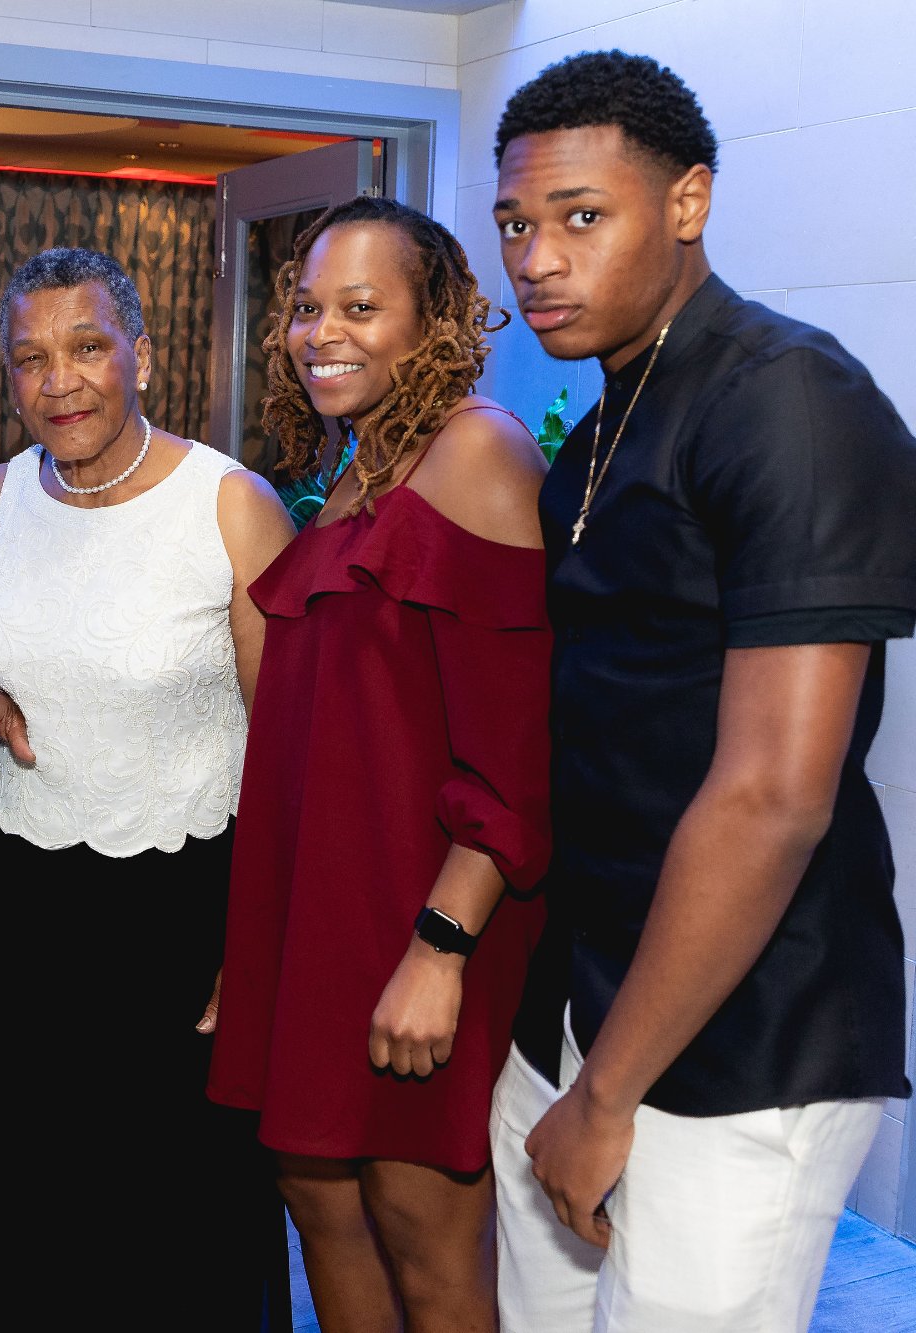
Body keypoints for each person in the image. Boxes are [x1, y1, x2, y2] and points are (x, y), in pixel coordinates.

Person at [486, 51, 916, 1332]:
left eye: (579, 216)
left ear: (687, 201)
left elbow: (771, 798)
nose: (535, 260)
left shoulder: (787, 400)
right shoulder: (605, 423)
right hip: (583, 1001)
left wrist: (605, 1092)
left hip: (740, 1036)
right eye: (514, 224)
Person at [0, 247, 296, 1328]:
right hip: (29, 899)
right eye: (29, 357)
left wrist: (258, 947)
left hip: (184, 909)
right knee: (37, 1196)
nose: (59, 381)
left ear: (143, 355)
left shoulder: (228, 505)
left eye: (86, 347)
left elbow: (292, 749)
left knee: (175, 1214)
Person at [204, 195, 552, 1332]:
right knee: (315, 1196)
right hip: (322, 910)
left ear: (433, 321)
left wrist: (439, 951)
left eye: (360, 307)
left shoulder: (477, 451)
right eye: (308, 307)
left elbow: (518, 755)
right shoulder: (357, 465)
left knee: (419, 1223)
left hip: (421, 915)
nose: (322, 334)